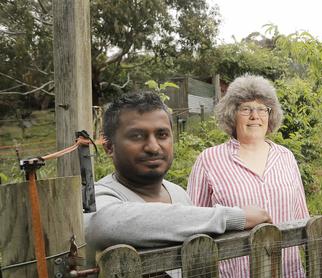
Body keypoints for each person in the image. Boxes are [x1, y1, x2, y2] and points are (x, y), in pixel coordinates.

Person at [187, 75, 310, 278]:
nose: (255, 115)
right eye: (246, 108)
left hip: (290, 277)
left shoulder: (286, 157)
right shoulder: (209, 159)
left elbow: (302, 214)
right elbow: (195, 219)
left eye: (262, 108)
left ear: (271, 115)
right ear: (232, 114)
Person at [84, 91, 271, 250]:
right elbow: (107, 224)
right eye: (137, 136)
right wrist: (236, 217)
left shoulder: (178, 193)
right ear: (109, 147)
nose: (153, 147)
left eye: (162, 135)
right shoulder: (98, 197)